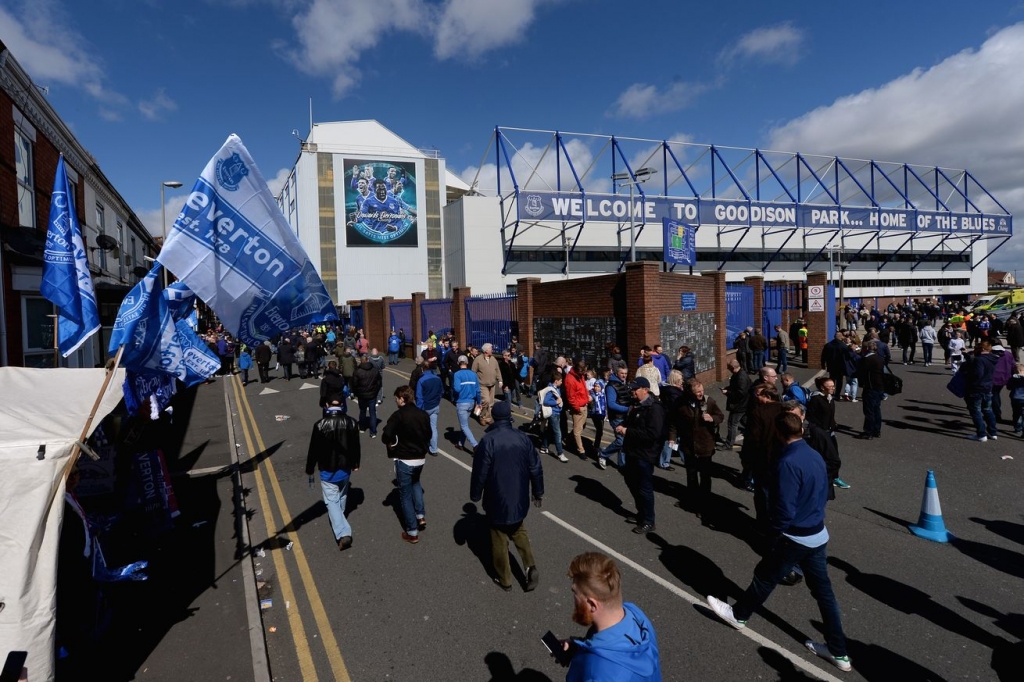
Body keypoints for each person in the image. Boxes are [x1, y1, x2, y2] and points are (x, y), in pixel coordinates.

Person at [706, 411, 853, 674]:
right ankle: (838, 651)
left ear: (779, 433)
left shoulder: (788, 463)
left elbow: (784, 508)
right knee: (824, 594)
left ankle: (738, 615)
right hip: (818, 534)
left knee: (764, 577)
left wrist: (773, 533)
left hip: (795, 536)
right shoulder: (814, 455)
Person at [469, 401, 544, 592]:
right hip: (519, 496)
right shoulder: (523, 438)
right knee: (519, 530)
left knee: (499, 537)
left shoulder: (489, 440)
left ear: (494, 417)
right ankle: (530, 566)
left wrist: (476, 494)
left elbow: (480, 472)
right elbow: (535, 467)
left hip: (496, 496)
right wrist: (538, 491)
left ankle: (505, 578)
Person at [557, 552, 661, 681]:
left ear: (591, 604)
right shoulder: (636, 615)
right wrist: (579, 649)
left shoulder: (597, 674)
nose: (573, 598)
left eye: (575, 592)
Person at [305, 400, 361, 551]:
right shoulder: (352, 422)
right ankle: (340, 518)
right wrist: (356, 463)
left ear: (328, 405)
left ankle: (343, 533)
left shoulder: (320, 425)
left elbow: (313, 450)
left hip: (327, 470)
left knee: (331, 502)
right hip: (346, 469)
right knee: (342, 495)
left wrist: (310, 468)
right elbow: (356, 446)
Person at [382, 385, 432, 544]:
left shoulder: (398, 416)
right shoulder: (423, 414)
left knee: (404, 495)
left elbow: (386, 435)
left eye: (397, 398)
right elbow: (429, 434)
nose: (396, 401)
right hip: (420, 458)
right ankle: (420, 515)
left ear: (402, 399)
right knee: (416, 483)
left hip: (404, 458)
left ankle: (412, 531)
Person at [618, 377, 665, 534]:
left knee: (644, 488)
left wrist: (628, 431)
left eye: (636, 389)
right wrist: (625, 426)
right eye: (632, 389)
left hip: (645, 455)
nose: (633, 391)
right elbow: (632, 424)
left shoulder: (654, 408)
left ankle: (649, 521)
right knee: (631, 482)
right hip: (632, 452)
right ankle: (641, 514)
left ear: (645, 389)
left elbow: (653, 433)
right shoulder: (635, 405)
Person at [677, 379, 724, 524]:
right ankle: (692, 502)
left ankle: (704, 507)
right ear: (690, 393)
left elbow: (720, 416)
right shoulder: (681, 404)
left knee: (705, 477)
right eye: (697, 392)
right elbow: (674, 421)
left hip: (705, 446)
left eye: (702, 390)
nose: (701, 393)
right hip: (689, 447)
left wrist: (712, 418)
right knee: (691, 476)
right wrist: (672, 437)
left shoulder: (708, 402)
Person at [966, 340, 1000, 442]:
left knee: (976, 411)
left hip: (977, 387)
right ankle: (993, 432)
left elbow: (978, 374)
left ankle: (981, 434)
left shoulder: (979, 360)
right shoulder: (994, 359)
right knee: (988, 410)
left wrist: (969, 376)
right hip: (988, 386)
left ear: (982, 349)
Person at [598, 366, 630, 469]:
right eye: (622, 373)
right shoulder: (611, 386)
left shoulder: (622, 383)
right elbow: (611, 404)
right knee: (621, 441)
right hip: (616, 417)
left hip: (624, 417)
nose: (624, 375)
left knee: (624, 440)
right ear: (616, 373)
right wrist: (627, 409)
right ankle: (603, 454)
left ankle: (622, 464)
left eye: (625, 373)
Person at [452, 355, 482, 452]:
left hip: (462, 402)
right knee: (464, 424)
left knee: (464, 426)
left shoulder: (457, 374)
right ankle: (460, 443)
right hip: (471, 402)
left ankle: (475, 445)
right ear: (467, 363)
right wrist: (479, 402)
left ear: (458, 363)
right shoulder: (473, 374)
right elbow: (478, 390)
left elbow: (457, 388)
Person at [856, 340, 885, 440]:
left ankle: (868, 432)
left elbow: (859, 371)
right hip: (879, 386)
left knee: (869, 411)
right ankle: (877, 430)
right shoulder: (880, 358)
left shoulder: (866, 360)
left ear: (867, 348)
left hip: (870, 387)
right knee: (877, 409)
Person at [721, 359, 751, 449]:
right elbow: (737, 388)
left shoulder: (741, 377)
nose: (728, 369)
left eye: (729, 368)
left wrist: (728, 392)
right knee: (745, 421)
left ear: (733, 367)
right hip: (743, 404)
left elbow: (740, 393)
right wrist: (728, 388)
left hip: (739, 405)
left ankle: (729, 444)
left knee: (732, 424)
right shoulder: (739, 374)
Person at [415, 357, 443, 456]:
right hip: (435, 406)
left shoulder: (421, 380)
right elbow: (441, 392)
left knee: (421, 428)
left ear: (423, 369)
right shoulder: (438, 379)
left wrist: (418, 410)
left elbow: (419, 397)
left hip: (425, 407)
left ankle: (420, 447)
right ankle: (434, 449)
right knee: (433, 427)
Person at [351, 353, 382, 438]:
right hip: (372, 395)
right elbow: (379, 382)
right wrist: (375, 392)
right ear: (368, 360)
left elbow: (354, 384)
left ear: (361, 361)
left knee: (362, 411)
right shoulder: (374, 370)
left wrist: (357, 393)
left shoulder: (357, 371)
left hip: (362, 395)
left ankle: (362, 428)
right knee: (372, 413)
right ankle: (373, 432)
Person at [565, 359, 591, 459]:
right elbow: (571, 397)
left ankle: (569, 439)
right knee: (577, 431)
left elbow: (583, 388)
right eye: (583, 371)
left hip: (584, 405)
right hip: (578, 408)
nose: (584, 373)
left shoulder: (580, 376)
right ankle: (581, 451)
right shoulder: (570, 379)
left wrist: (587, 398)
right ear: (578, 370)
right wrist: (577, 408)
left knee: (581, 426)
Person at [539, 374, 567, 463]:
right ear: (556, 381)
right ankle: (560, 453)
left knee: (550, 430)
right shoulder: (551, 389)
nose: (562, 382)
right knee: (558, 433)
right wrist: (556, 402)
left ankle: (544, 447)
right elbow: (546, 401)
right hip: (553, 413)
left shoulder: (555, 388)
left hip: (556, 413)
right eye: (561, 381)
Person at [472, 343, 501, 426]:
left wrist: (500, 381)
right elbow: (473, 372)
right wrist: (474, 383)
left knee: (491, 403)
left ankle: (488, 418)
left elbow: (497, 370)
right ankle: (481, 416)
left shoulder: (493, 359)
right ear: (486, 350)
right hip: (482, 385)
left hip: (492, 384)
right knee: (486, 401)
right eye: (491, 349)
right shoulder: (478, 359)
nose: (492, 350)